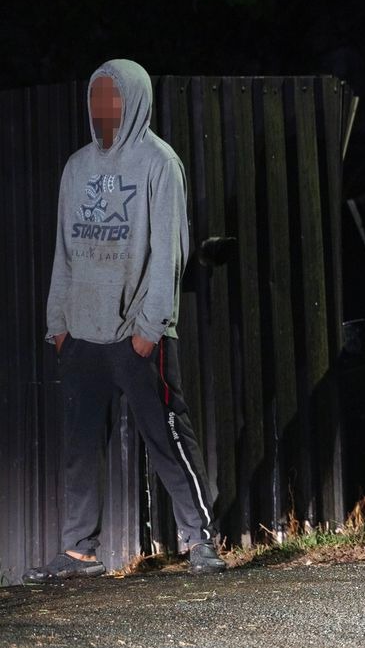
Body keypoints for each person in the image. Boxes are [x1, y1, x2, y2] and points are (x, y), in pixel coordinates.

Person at [23, 59, 226, 583]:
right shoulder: (76, 167)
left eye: (113, 97)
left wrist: (150, 327)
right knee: (80, 446)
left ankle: (200, 540)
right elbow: (65, 251)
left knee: (167, 437)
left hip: (137, 333)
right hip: (81, 336)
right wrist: (58, 324)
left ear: (134, 100)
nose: (103, 108)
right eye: (96, 98)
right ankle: (78, 552)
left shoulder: (159, 163)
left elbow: (169, 251)